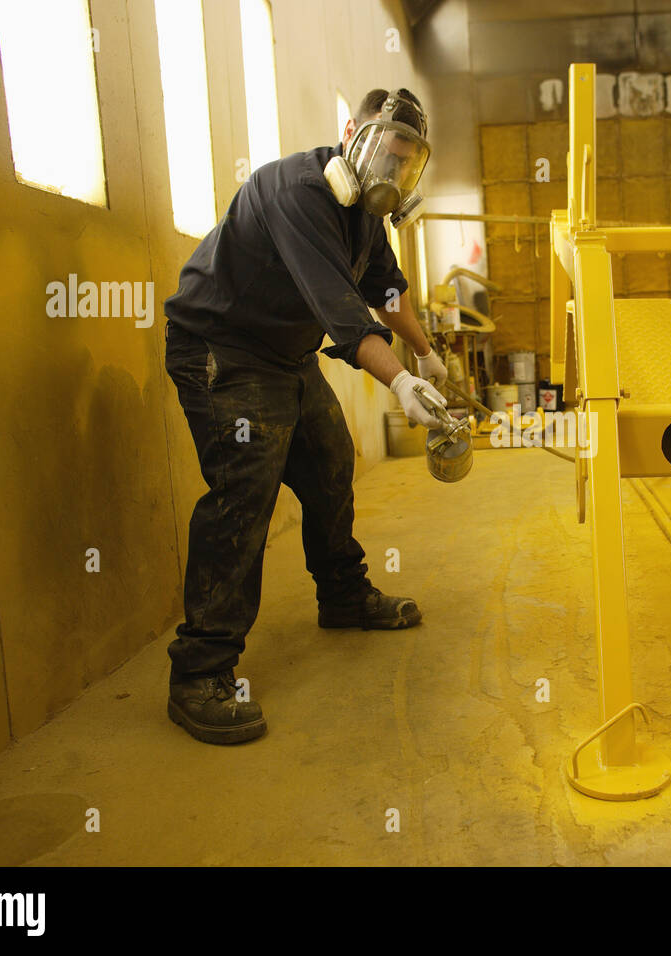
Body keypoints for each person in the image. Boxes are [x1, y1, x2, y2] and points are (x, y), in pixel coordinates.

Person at [160, 88, 447, 745]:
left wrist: (428, 356)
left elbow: (386, 290)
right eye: (384, 151)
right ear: (351, 132)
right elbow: (343, 317)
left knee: (328, 463)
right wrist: (399, 380)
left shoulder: (365, 216)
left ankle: (343, 595)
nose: (391, 171)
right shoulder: (296, 191)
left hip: (283, 356)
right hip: (222, 348)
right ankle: (200, 672)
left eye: (405, 162)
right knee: (245, 491)